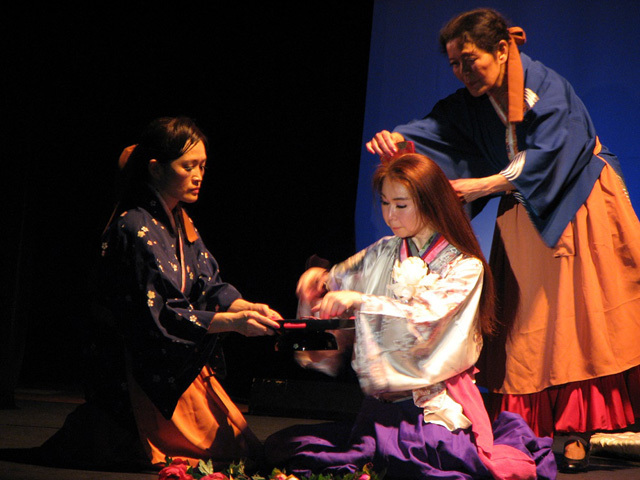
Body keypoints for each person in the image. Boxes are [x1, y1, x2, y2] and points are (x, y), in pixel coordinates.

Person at [366, 7, 640, 471]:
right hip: (525, 212)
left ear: (501, 49)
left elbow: (556, 151)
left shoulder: (546, 86)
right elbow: (438, 132)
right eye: (454, 64)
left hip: (577, 203)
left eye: (470, 59)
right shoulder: (473, 103)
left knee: (580, 320)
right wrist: (395, 140)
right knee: (528, 327)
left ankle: (577, 431)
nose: (462, 71)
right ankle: (533, 430)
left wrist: (485, 185)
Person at [264, 153, 557, 479]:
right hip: (381, 408)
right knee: (291, 450)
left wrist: (361, 302)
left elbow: (428, 318)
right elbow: (338, 280)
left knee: (418, 467)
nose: (390, 215)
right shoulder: (384, 250)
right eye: (385, 203)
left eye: (401, 205)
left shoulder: (465, 266)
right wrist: (317, 283)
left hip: (435, 404)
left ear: (431, 203)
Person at [35, 116, 282, 471]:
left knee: (245, 450)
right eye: (188, 166)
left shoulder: (181, 221)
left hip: (171, 362)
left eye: (202, 166)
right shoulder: (133, 226)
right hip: (139, 369)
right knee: (220, 457)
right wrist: (234, 323)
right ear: (155, 168)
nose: (198, 175)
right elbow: (161, 314)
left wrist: (246, 307)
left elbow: (208, 283)